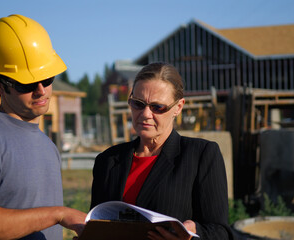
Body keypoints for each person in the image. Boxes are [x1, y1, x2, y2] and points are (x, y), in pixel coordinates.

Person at [0, 14, 86, 239]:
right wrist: (58, 214)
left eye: (47, 78)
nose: (41, 90)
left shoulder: (47, 144)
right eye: (28, 83)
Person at [90, 62, 234, 239]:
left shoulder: (200, 155)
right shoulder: (108, 160)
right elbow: (96, 226)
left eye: (157, 107)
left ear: (178, 107)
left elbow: (221, 232)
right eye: (138, 103)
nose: (145, 114)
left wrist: (193, 235)